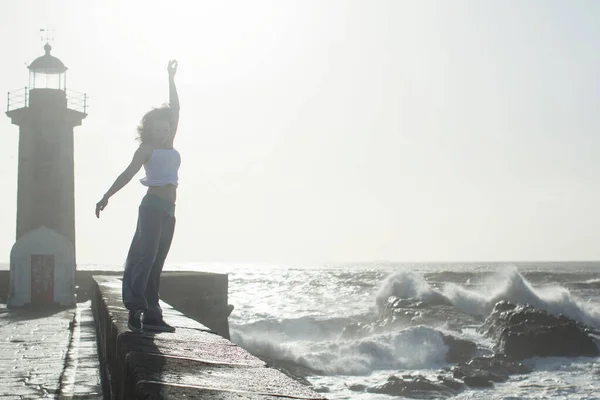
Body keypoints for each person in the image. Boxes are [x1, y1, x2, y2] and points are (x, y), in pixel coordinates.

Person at [95, 60, 180, 333]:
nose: (165, 129)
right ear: (150, 128)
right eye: (159, 127)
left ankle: (153, 316)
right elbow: (128, 174)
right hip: (152, 207)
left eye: (167, 126)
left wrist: (171, 77)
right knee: (144, 257)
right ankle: (134, 310)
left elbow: (176, 109)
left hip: (169, 210)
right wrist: (106, 196)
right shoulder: (146, 149)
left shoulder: (169, 143)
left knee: (157, 262)